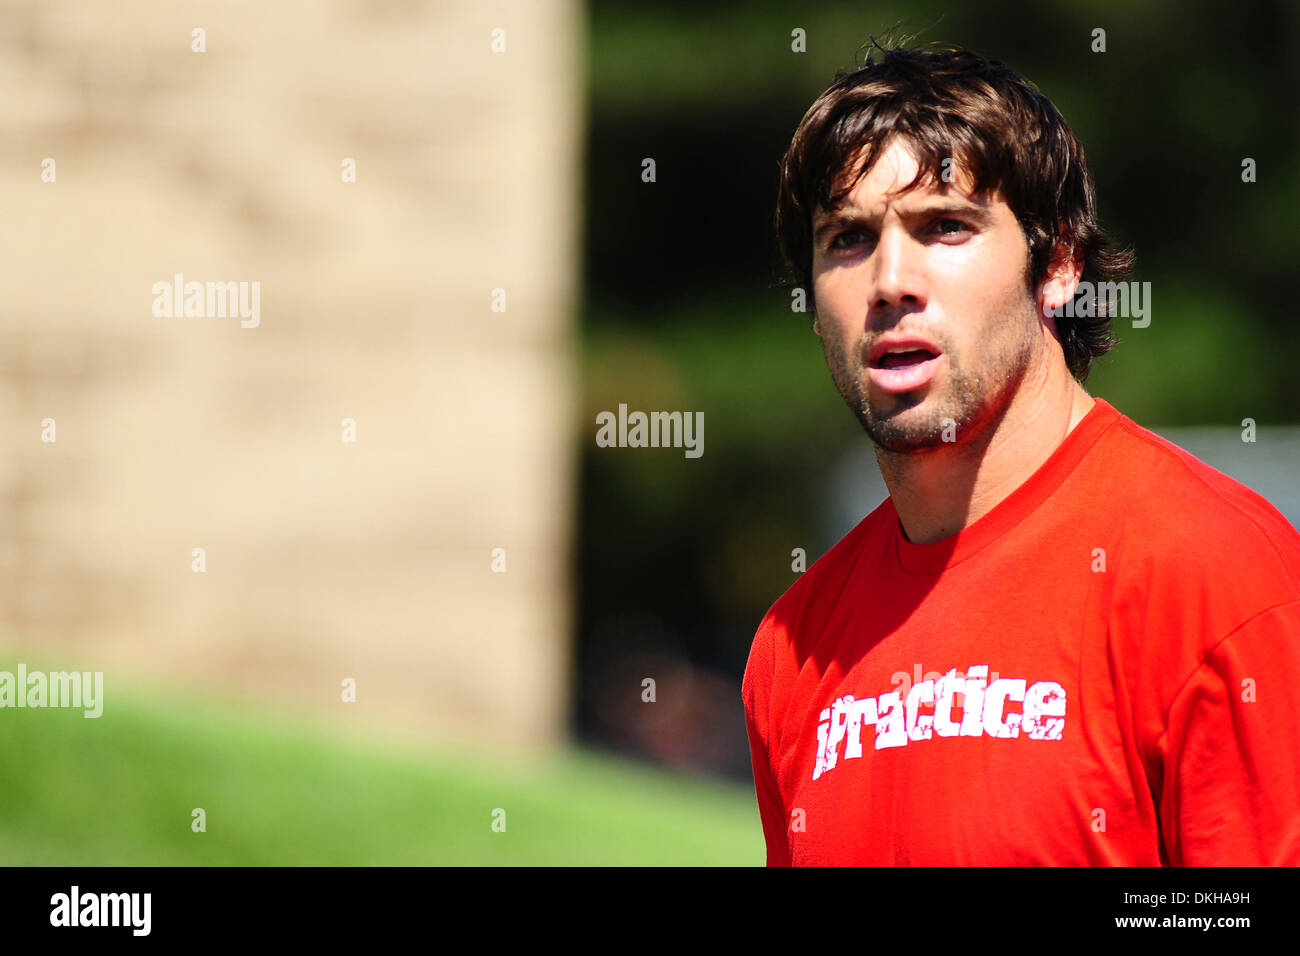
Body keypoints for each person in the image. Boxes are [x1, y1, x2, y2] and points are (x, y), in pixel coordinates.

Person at [742, 39, 1300, 865]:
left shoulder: (1217, 573)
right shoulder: (792, 649)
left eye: (945, 227)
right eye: (847, 239)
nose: (891, 279)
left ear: (1060, 264)